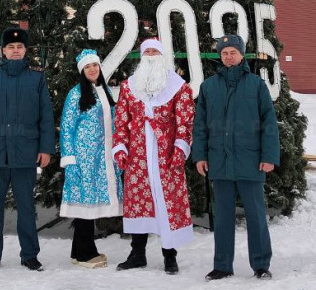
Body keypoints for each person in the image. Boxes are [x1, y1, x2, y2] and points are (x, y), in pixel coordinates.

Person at [0, 26, 55, 274]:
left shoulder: (36, 78)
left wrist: (45, 148)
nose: (15, 51)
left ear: (26, 50)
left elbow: (46, 117)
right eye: (10, 47)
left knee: (26, 206)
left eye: (19, 47)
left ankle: (30, 255)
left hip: (26, 152)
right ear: (3, 51)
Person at [191, 34, 279, 281]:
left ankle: (261, 265)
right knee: (223, 218)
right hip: (219, 161)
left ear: (242, 55)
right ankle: (222, 265)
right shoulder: (208, 87)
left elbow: (269, 122)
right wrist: (200, 156)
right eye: (224, 53)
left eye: (233, 52)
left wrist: (269, 156)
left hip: (250, 160)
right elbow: (200, 126)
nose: (229, 56)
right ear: (220, 56)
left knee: (255, 216)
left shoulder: (256, 85)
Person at [112, 38, 195, 275]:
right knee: (140, 204)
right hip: (138, 156)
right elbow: (122, 120)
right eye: (146, 51)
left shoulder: (178, 86)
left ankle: (170, 256)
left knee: (166, 203)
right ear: (141, 56)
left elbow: (185, 119)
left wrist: (180, 147)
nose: (150, 54)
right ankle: (137, 254)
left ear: (161, 55)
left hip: (165, 154)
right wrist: (121, 147)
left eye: (154, 51)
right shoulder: (129, 87)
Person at [59, 49, 123, 268]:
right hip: (84, 158)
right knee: (85, 203)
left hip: (102, 157)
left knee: (90, 202)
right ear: (82, 71)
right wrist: (70, 159)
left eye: (95, 65)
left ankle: (79, 251)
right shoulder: (75, 94)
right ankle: (86, 253)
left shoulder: (104, 91)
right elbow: (67, 128)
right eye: (88, 67)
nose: (92, 69)